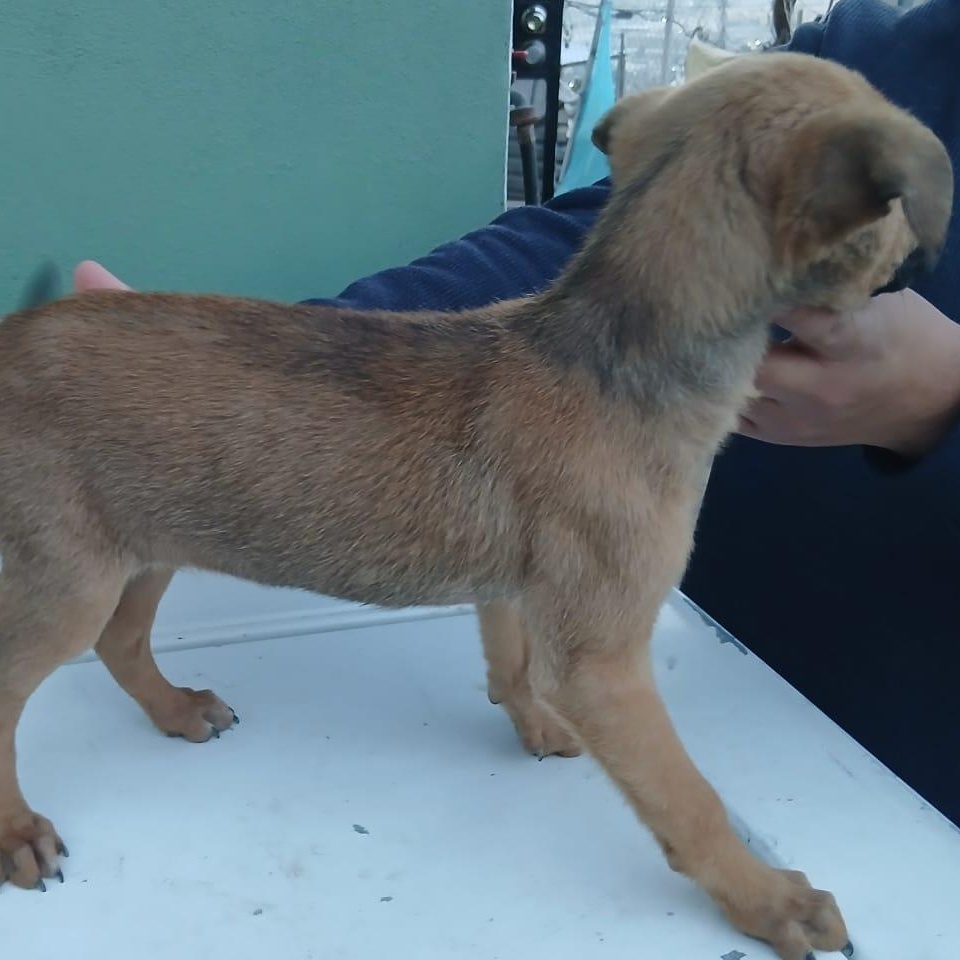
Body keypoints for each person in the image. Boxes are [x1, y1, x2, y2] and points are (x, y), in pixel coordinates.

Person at [74, 0, 960, 825]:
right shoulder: (883, 51)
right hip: (662, 621)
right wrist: (276, 368)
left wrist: (943, 404)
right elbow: (568, 245)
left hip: (901, 763)